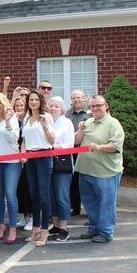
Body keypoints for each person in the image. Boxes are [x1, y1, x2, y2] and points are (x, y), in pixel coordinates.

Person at [74, 95, 124, 243]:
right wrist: (81, 129)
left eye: (98, 105)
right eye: (92, 106)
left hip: (106, 173)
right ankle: (94, 228)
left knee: (106, 203)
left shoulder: (113, 124)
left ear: (106, 106)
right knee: (89, 202)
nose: (95, 108)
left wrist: (99, 147)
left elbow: (115, 146)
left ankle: (106, 232)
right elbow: (76, 141)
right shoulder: (88, 122)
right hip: (86, 170)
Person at [21, 90, 55, 247]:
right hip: (30, 159)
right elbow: (23, 140)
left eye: (36, 99)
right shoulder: (27, 118)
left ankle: (44, 230)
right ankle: (35, 228)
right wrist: (23, 154)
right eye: (31, 99)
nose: (33, 102)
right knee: (33, 194)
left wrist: (45, 127)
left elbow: (52, 140)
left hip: (44, 157)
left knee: (43, 195)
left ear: (40, 102)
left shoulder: (46, 117)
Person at [0, 93, 21, 244]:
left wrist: (7, 122)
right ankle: (1, 225)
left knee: (10, 193)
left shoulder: (12, 118)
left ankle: (12, 227)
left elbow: (13, 139)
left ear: (4, 103)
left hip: (11, 160)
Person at [47, 96, 75, 242]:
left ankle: (64, 227)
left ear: (62, 108)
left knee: (62, 196)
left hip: (62, 163)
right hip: (46, 162)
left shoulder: (67, 122)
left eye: (56, 106)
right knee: (51, 195)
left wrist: (56, 147)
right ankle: (56, 224)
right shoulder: (45, 121)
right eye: (51, 105)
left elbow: (70, 143)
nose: (53, 108)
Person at [66, 89, 91, 216]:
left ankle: (89, 209)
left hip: (87, 151)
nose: (77, 100)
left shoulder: (90, 112)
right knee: (74, 180)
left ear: (83, 98)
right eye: (74, 98)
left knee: (87, 180)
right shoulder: (67, 114)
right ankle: (75, 208)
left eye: (79, 97)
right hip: (73, 151)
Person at [13, 96, 32, 231]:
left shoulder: (28, 120)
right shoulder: (12, 121)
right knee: (19, 188)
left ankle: (31, 217)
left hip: (28, 158)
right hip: (14, 158)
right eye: (17, 106)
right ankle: (24, 216)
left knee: (28, 187)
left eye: (22, 106)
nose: (19, 108)